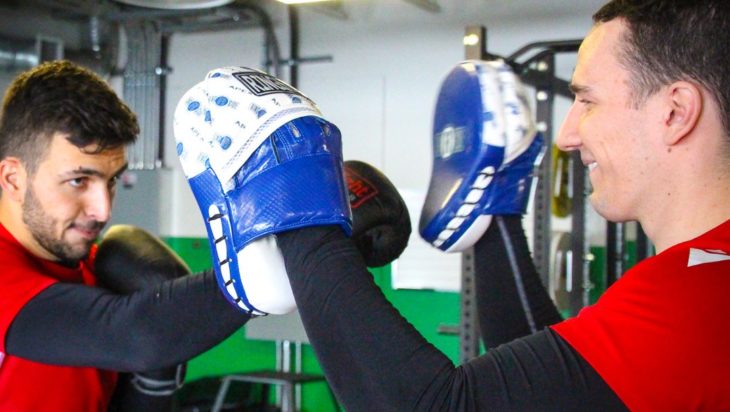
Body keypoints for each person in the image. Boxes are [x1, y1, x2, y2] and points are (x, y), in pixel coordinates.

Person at [178, 0, 729, 410]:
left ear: (675, 112)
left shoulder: (700, 297)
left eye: (587, 100)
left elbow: (433, 406)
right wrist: (496, 222)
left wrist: (293, 206)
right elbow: (560, 389)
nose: (567, 134)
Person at [0, 61, 254, 411]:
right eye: (79, 181)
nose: (102, 211)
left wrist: (154, 381)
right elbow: (131, 336)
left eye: (112, 180)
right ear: (14, 179)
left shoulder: (92, 267)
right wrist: (273, 263)